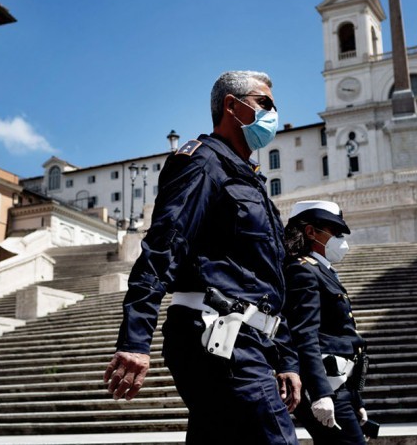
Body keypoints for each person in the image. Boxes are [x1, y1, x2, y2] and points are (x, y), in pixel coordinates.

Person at [104, 71, 301, 445]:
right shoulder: (201, 163)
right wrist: (134, 340)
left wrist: (287, 358)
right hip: (217, 337)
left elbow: (269, 280)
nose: (273, 114)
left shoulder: (251, 181)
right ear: (232, 106)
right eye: (265, 104)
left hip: (250, 341)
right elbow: (164, 247)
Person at [282, 200, 377, 444]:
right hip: (326, 388)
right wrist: (321, 393)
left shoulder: (323, 271)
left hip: (341, 388)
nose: (340, 240)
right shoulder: (303, 271)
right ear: (311, 232)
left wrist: (356, 400)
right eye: (334, 233)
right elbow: (305, 335)